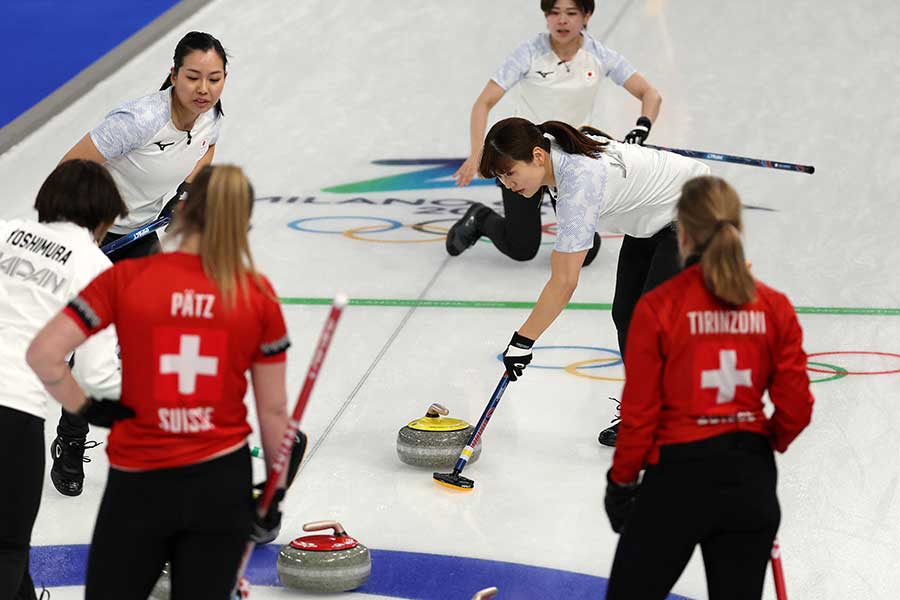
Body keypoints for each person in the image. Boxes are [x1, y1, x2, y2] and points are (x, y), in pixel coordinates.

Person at [27, 165, 291, 600]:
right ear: (243, 224)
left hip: (140, 478)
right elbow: (274, 411)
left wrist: (89, 410)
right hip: (220, 478)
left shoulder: (126, 278)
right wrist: (274, 493)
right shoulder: (256, 292)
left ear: (183, 210)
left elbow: (45, 355)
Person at [602, 176, 814, 600]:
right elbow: (797, 407)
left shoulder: (660, 306)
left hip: (677, 481)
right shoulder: (772, 305)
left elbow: (640, 413)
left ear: (682, 230)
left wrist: (621, 483)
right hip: (749, 483)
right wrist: (757, 444)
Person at [50, 30, 228, 497]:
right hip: (94, 232)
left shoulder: (210, 118)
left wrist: (186, 193)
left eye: (214, 78)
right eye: (193, 77)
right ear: (173, 75)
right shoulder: (140, 120)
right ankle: (71, 438)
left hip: (139, 236)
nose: (203, 89)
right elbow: (69, 170)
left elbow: (205, 150)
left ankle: (121, 439)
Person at [480, 117, 709, 445]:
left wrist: (522, 341)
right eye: (500, 177)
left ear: (538, 156)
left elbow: (564, 282)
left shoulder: (579, 185)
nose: (507, 184)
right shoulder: (551, 144)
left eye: (510, 172)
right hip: (653, 216)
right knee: (626, 315)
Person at [447, 0, 662, 266]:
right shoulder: (528, 53)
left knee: (587, 250)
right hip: (524, 158)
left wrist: (641, 128)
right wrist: (477, 152)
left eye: (571, 13)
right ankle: (480, 217)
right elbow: (483, 102)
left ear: (587, 15)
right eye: (554, 13)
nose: (562, 20)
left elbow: (650, 94)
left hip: (571, 159)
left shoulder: (600, 55)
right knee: (521, 248)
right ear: (546, 16)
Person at [0, 160, 125, 600]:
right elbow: (94, 376)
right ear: (104, 216)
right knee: (8, 549)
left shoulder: (5, 231)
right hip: (12, 415)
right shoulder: (95, 268)